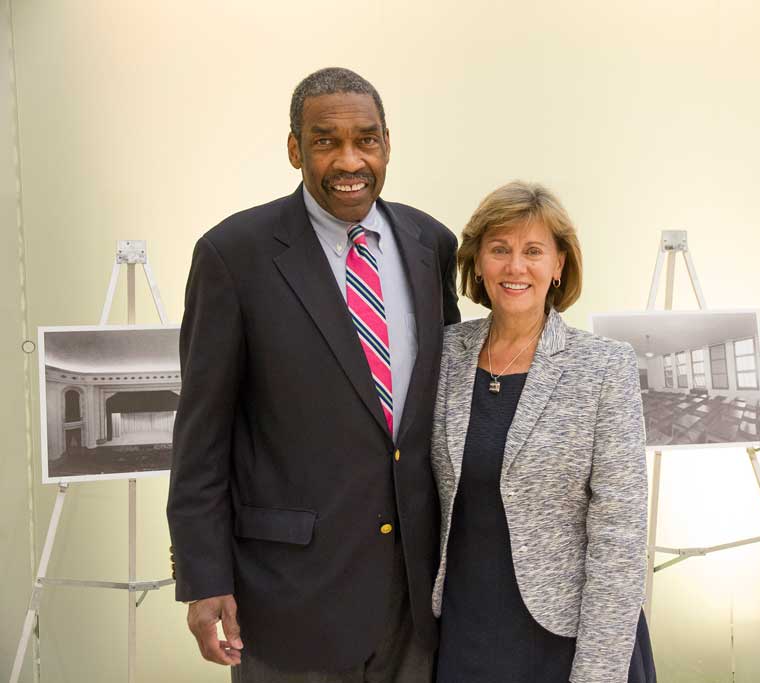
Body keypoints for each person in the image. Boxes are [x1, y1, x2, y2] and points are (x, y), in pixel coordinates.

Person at [166, 67, 460, 682]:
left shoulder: (430, 243)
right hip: (289, 599)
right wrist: (203, 574)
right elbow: (201, 434)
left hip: (416, 600)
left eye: (366, 139)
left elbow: (441, 412)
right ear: (295, 149)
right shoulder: (233, 254)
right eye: (326, 141)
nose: (350, 160)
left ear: (387, 143)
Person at [429, 181, 655, 682]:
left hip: (566, 641)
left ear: (559, 265)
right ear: (478, 263)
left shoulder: (603, 366)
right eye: (499, 249)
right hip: (464, 634)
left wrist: (598, 672)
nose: (515, 267)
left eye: (533, 251)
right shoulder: (444, 354)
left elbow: (620, 534)